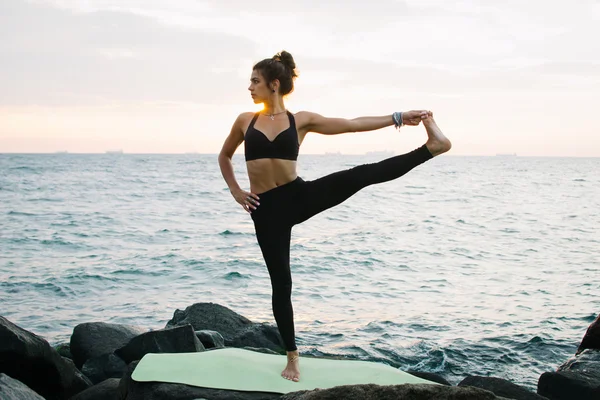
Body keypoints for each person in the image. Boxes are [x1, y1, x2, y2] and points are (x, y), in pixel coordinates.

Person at [218, 51, 451, 383]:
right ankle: (292, 357)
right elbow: (225, 156)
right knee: (281, 283)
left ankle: (433, 146)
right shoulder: (245, 120)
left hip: (298, 196)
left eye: (254, 81)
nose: (249, 87)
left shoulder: (302, 120)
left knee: (361, 175)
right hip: (265, 211)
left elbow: (353, 125)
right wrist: (236, 191)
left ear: (273, 85)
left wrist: (398, 116)